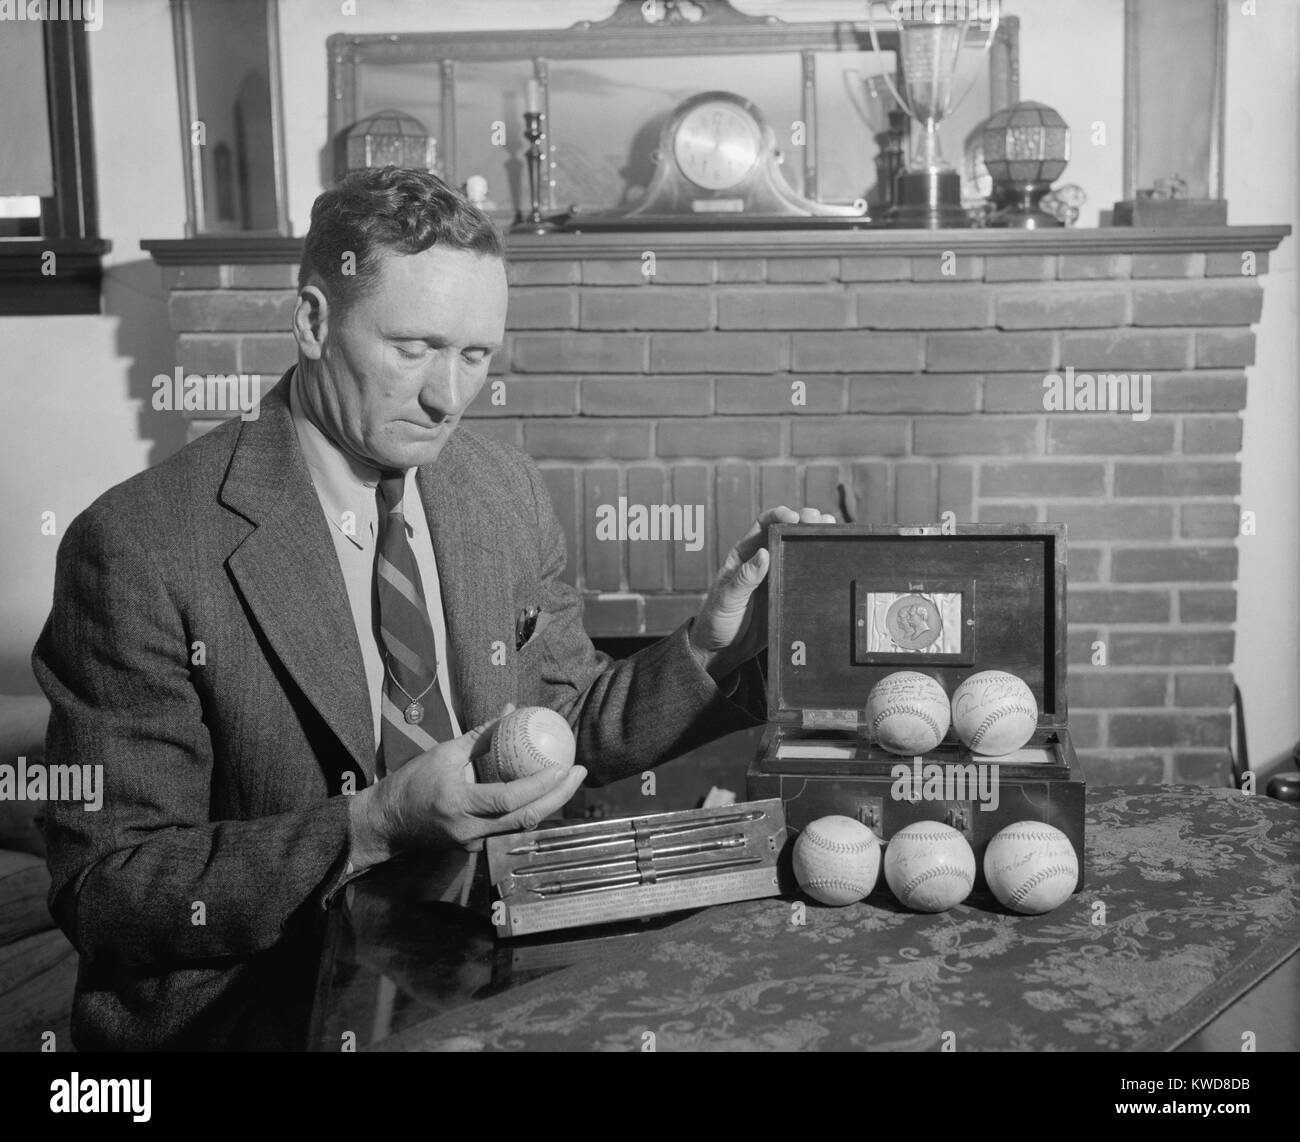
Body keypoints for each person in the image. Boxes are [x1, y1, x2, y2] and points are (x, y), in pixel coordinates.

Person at [32, 166, 832, 1050]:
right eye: (412, 348)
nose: (448, 396)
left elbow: (568, 721)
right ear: (312, 321)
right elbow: (108, 887)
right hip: (261, 1009)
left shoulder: (502, 491)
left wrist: (712, 647)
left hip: (482, 967)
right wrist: (373, 825)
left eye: (475, 355)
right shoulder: (140, 544)